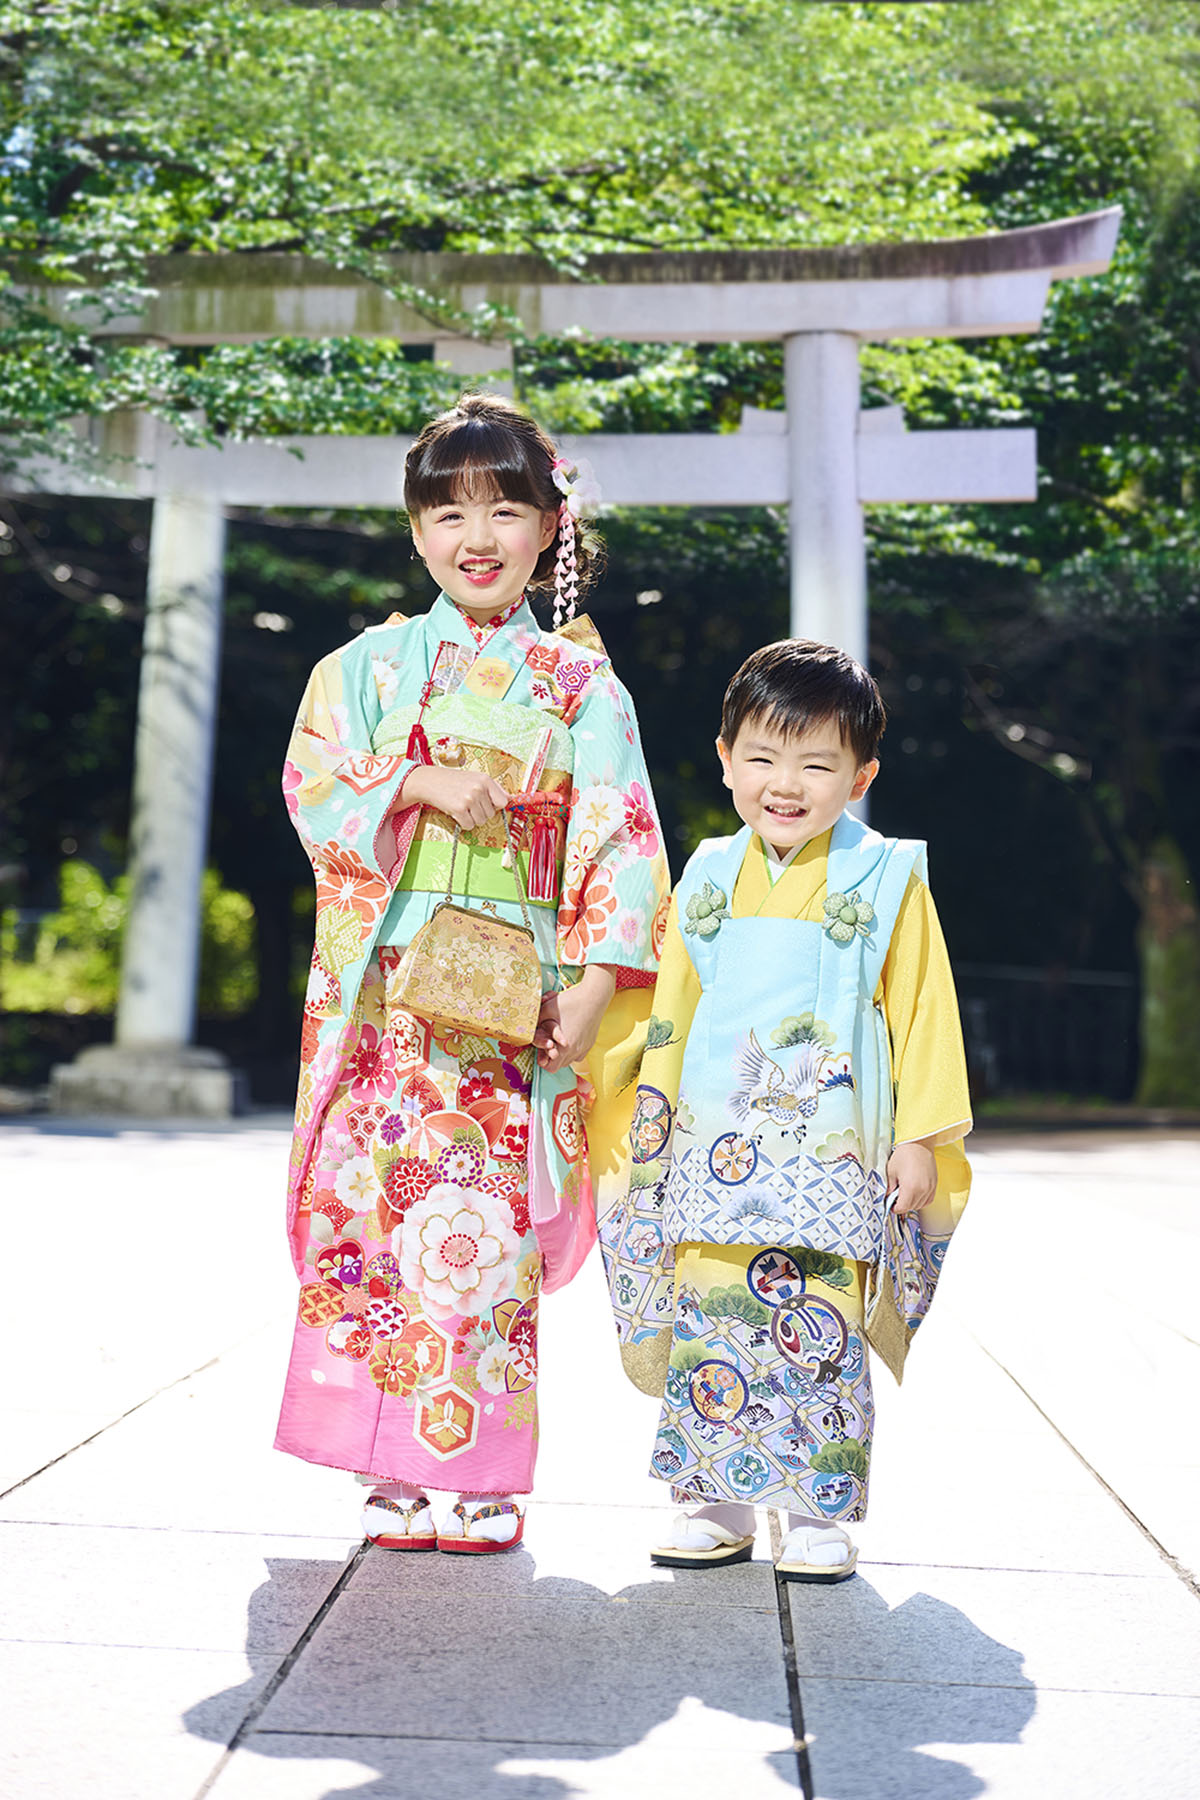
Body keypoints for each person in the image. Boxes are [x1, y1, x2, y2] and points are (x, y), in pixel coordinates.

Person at [274, 393, 669, 1554]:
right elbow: (310, 783)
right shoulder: (363, 670)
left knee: (480, 1223)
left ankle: (480, 1468)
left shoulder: (584, 688)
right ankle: (384, 1465)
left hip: (512, 994)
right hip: (392, 991)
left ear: (549, 527)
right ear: (416, 532)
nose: (476, 536)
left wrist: (593, 984)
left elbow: (622, 838)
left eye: (504, 509)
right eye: (447, 513)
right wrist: (413, 782)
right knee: (375, 1212)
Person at [600, 638, 972, 1582]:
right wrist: (646, 1125)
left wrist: (921, 1138)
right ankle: (714, 1499)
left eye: (817, 764)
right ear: (725, 760)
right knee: (712, 1312)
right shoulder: (707, 873)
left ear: (861, 776)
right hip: (712, 1138)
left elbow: (923, 1009)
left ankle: (816, 1509)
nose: (786, 784)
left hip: (834, 1146)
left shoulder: (887, 876)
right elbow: (672, 1008)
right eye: (763, 757)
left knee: (820, 1319)